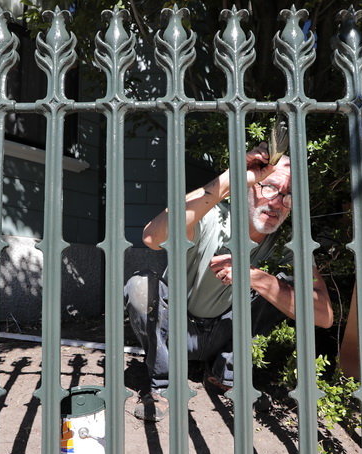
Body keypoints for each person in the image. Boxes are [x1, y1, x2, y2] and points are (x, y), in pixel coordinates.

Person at [124, 143, 334, 421]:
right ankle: (162, 385)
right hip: (175, 328)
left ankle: (226, 374)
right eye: (269, 188)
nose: (276, 203)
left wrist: (255, 277)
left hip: (225, 332)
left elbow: (325, 316)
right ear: (249, 187)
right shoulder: (214, 215)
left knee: (284, 284)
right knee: (140, 286)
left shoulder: (288, 244)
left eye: (288, 196)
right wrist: (231, 177)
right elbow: (151, 237)